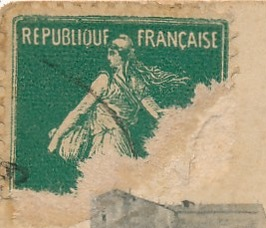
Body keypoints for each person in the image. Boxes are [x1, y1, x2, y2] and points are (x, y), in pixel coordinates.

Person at [47, 35, 190, 165]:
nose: (108, 57)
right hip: (123, 143)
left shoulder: (104, 80)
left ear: (121, 56)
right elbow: (157, 113)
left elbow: (79, 111)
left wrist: (56, 138)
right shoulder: (136, 82)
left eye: (112, 53)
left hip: (104, 143)